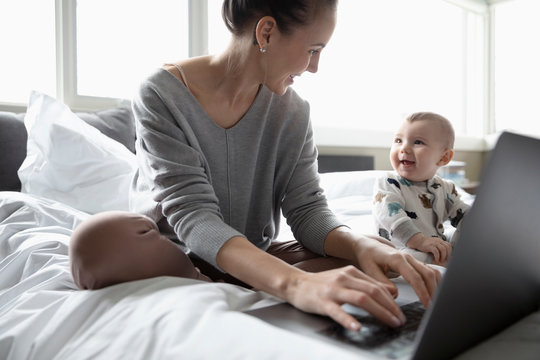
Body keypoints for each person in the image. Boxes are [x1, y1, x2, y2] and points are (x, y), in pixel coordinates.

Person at [70, 0, 441, 332]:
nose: (314, 67)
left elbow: (308, 210)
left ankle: (251, 282)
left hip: (257, 254)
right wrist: (293, 283)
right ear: (266, 31)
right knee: (97, 241)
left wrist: (358, 246)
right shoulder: (160, 93)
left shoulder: (293, 111)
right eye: (313, 50)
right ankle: (244, 282)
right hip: (175, 253)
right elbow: (193, 215)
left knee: (373, 254)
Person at [372, 112, 471, 266]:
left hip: (433, 244)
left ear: (443, 158)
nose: (404, 148)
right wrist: (420, 241)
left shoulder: (445, 187)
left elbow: (460, 210)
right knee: (412, 258)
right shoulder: (388, 182)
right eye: (398, 140)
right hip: (400, 248)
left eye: (417, 142)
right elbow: (391, 216)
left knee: (467, 233)